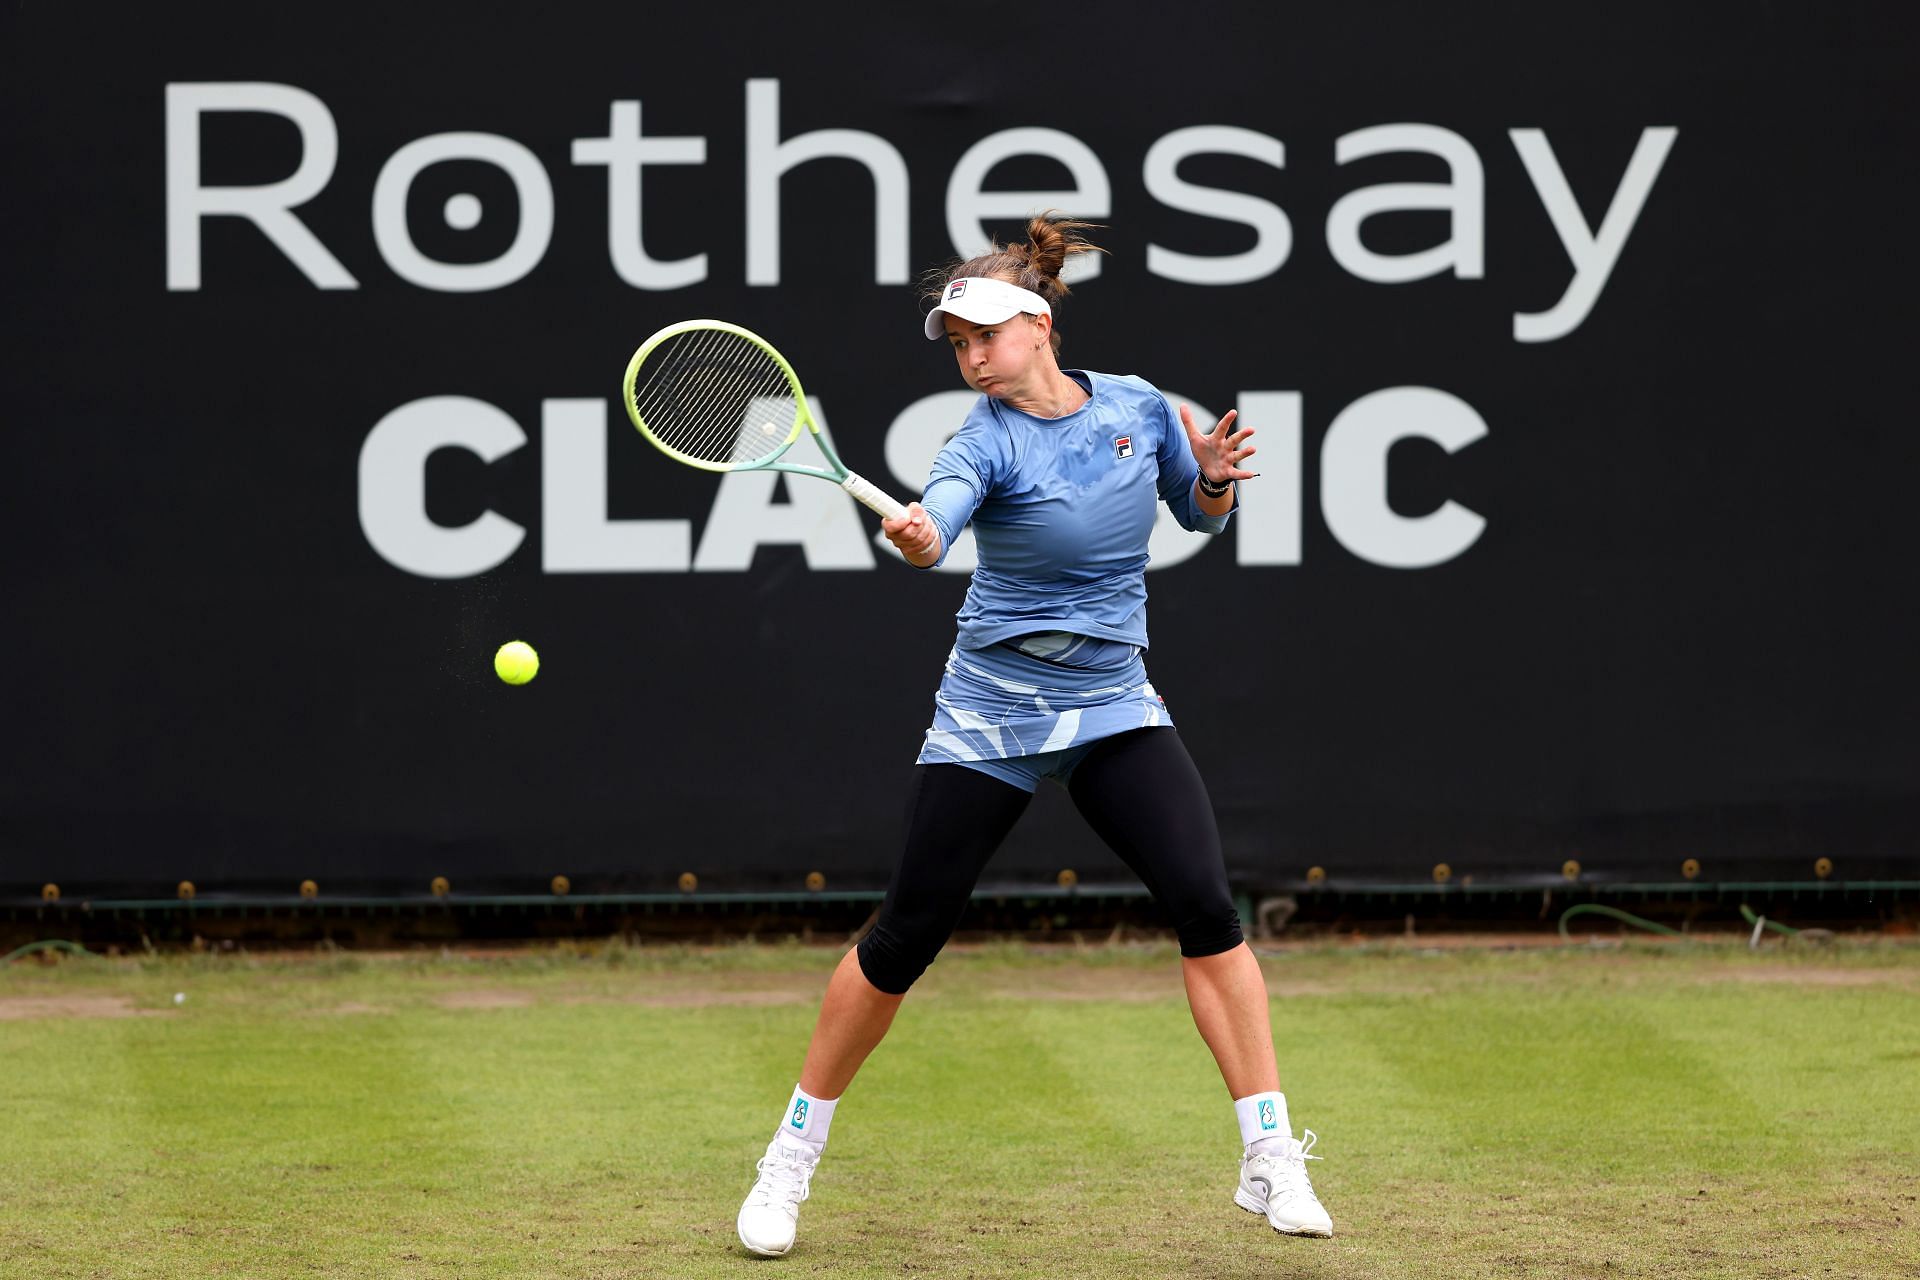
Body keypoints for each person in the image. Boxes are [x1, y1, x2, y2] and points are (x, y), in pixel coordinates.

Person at [735, 214, 1333, 1257]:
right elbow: (943, 521)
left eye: (982, 336)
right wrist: (925, 534)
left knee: (1206, 904)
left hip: (1113, 704)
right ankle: (788, 1158)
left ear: (1039, 324)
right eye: (955, 344)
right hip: (991, 715)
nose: (969, 357)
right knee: (905, 934)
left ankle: (1270, 1153)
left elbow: (1194, 516)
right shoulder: (980, 438)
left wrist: (1216, 480)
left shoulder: (1140, 406)